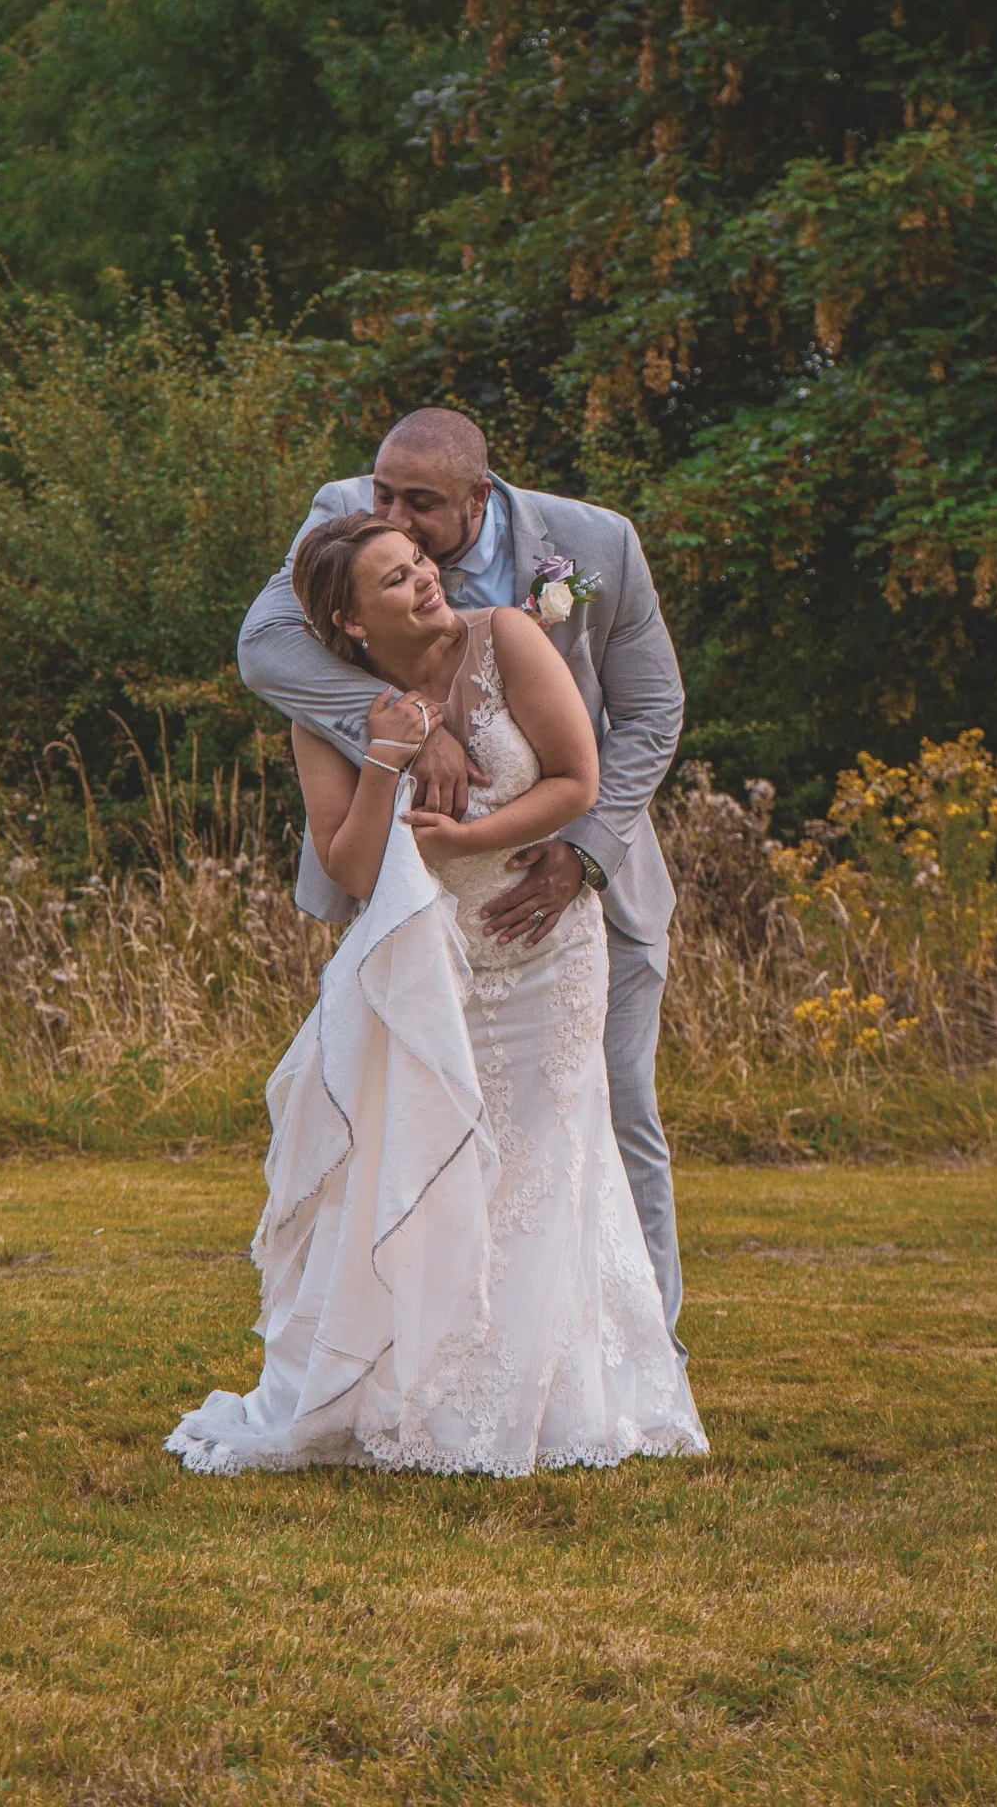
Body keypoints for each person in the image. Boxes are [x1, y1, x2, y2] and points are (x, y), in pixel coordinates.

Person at [164, 513, 705, 1476]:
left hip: (545, 954)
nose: (424, 584)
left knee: (541, 1167)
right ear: (352, 624)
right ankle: (418, 1392)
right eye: (396, 581)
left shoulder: (505, 636)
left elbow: (580, 779)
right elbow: (355, 865)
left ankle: (544, 1402)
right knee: (429, 1161)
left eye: (420, 564)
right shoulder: (327, 714)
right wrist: (383, 756)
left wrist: (468, 842)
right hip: (426, 963)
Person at [234, 408, 689, 1355]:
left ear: (480, 497)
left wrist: (585, 850)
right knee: (422, 1125)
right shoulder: (345, 522)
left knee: (612, 1115)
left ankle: (639, 1346)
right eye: (382, 490)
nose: (389, 512)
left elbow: (649, 714)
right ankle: (450, 1348)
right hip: (418, 902)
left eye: (419, 505)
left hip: (580, 889)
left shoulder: (594, 544)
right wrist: (404, 720)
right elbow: (270, 649)